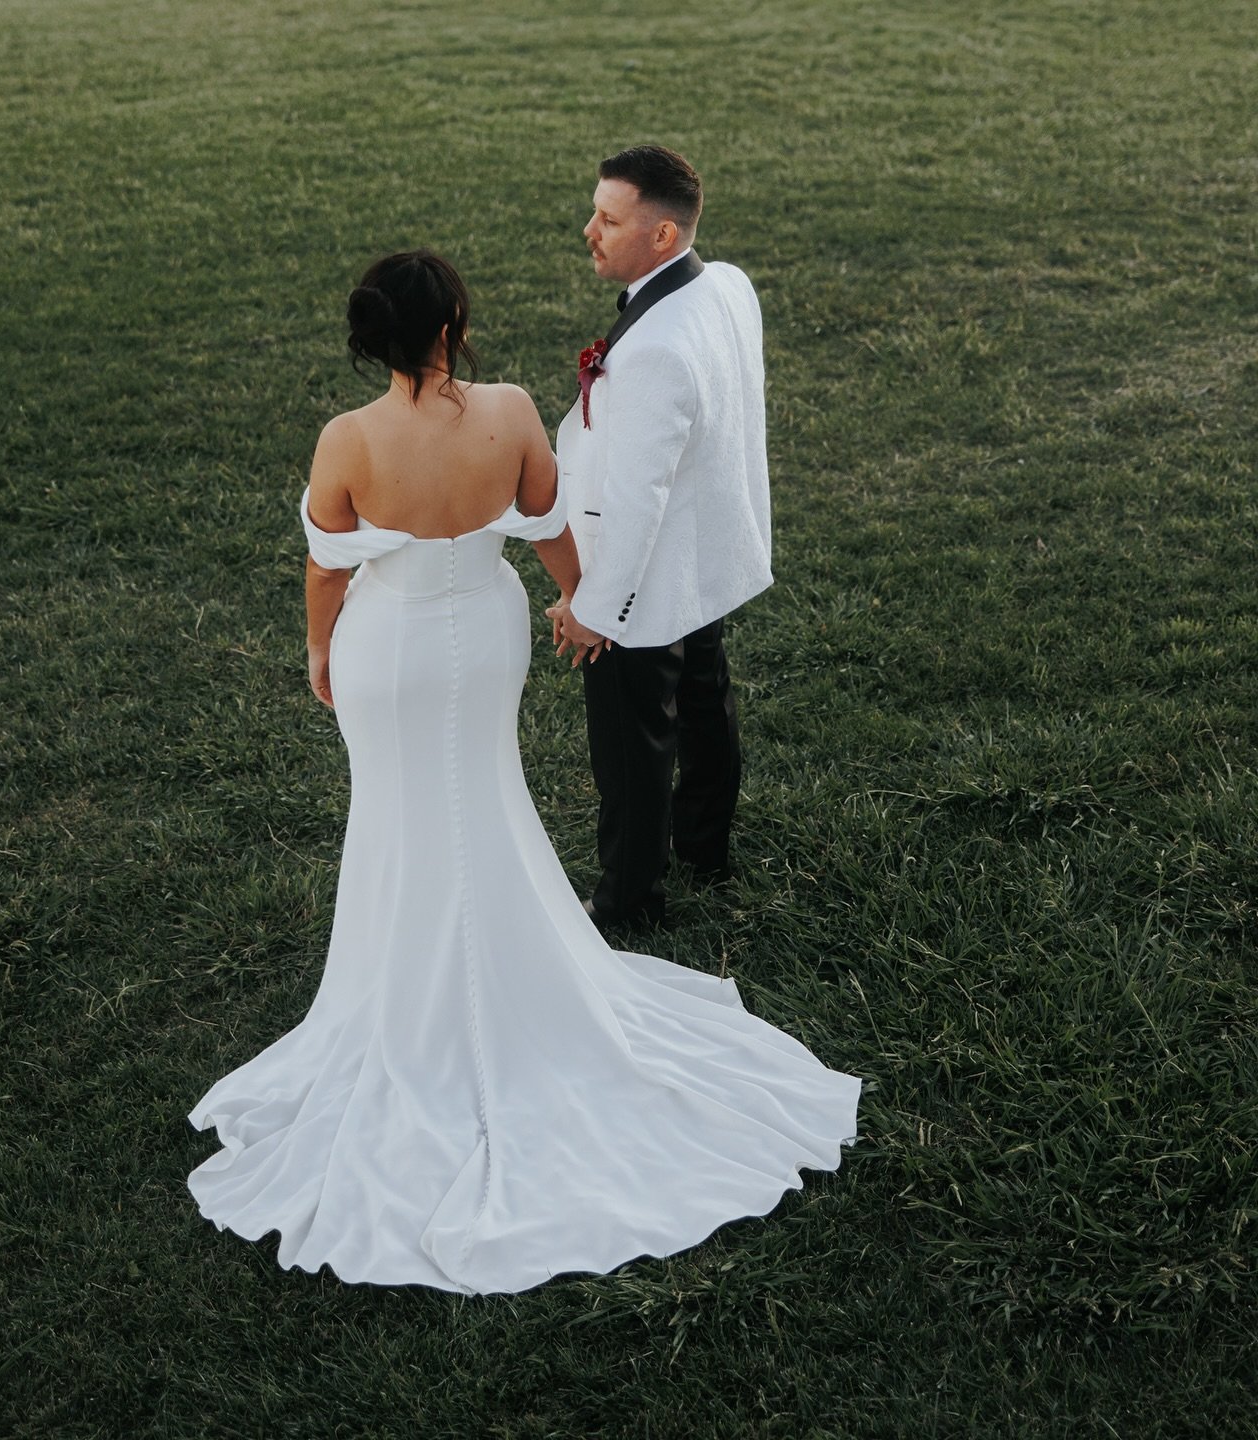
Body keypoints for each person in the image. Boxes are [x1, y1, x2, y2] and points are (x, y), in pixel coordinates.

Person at [186, 250, 858, 1295]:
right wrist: (590, 610)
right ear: (454, 322)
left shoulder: (348, 438)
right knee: (483, 799)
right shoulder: (508, 411)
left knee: (401, 817)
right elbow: (547, 528)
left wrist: (319, 650)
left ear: (373, 338)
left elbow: (327, 565)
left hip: (391, 647)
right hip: (485, 634)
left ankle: (400, 997)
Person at [549, 145, 773, 933]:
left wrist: (594, 607)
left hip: (644, 575)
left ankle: (628, 904)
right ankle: (704, 847)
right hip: (707, 551)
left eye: (610, 220)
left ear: (664, 235)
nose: (591, 230)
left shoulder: (653, 351)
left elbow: (637, 501)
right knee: (706, 699)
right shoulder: (728, 284)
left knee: (632, 750)